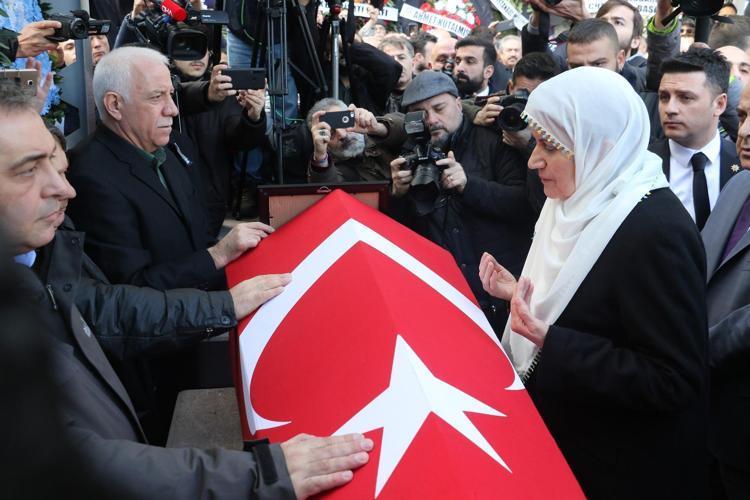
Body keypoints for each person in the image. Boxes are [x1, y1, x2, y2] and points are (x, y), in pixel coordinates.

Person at [0, 79, 373, 499]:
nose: (64, 189)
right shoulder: (90, 182)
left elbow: (103, 307)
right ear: (115, 104)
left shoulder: (37, 254)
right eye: (28, 170)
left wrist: (224, 305)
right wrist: (256, 476)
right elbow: (69, 459)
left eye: (57, 166)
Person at [479, 67, 708, 498]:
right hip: (563, 448)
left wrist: (553, 341)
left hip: (620, 470)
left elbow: (674, 380)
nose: (533, 160)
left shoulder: (656, 231)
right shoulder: (571, 200)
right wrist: (522, 294)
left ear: (599, 144)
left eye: (550, 145)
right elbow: (586, 299)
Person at [67, 47, 268, 292]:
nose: (172, 109)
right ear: (114, 104)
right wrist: (218, 255)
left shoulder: (175, 146)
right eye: (156, 97)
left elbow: (199, 237)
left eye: (171, 95)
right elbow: (128, 290)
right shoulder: (89, 176)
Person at [389, 71, 535, 331]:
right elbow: (405, 236)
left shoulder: (495, 140)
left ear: (459, 104)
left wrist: (469, 185)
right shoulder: (409, 156)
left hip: (505, 294)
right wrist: (398, 195)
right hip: (449, 300)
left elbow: (524, 206)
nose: (431, 120)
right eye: (420, 114)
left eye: (439, 108)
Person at [702, 81, 750, 498]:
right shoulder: (737, 184)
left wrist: (690, 350)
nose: (745, 132)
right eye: (745, 116)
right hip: (703, 415)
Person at [649, 47, 739, 230]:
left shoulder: (742, 165)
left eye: (685, 98)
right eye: (664, 97)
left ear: (719, 104)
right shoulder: (642, 165)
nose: (670, 109)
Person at [379, 35, 414, 112]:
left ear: (413, 62)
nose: (397, 64)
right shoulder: (374, 97)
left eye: (401, 58)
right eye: (389, 59)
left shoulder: (426, 92)